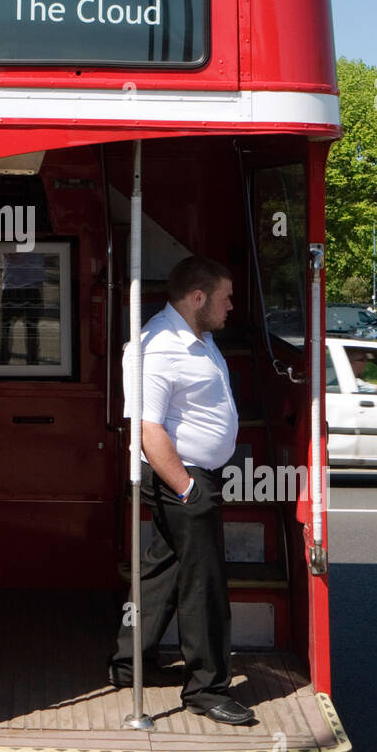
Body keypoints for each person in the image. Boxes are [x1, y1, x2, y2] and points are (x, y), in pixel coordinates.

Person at [109, 255, 255, 725]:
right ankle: (207, 690)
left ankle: (128, 662)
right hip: (179, 475)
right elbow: (148, 430)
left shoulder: (199, 336)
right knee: (203, 582)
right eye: (226, 297)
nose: (232, 306)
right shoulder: (155, 348)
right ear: (198, 298)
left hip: (191, 475)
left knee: (166, 567)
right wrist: (189, 489)